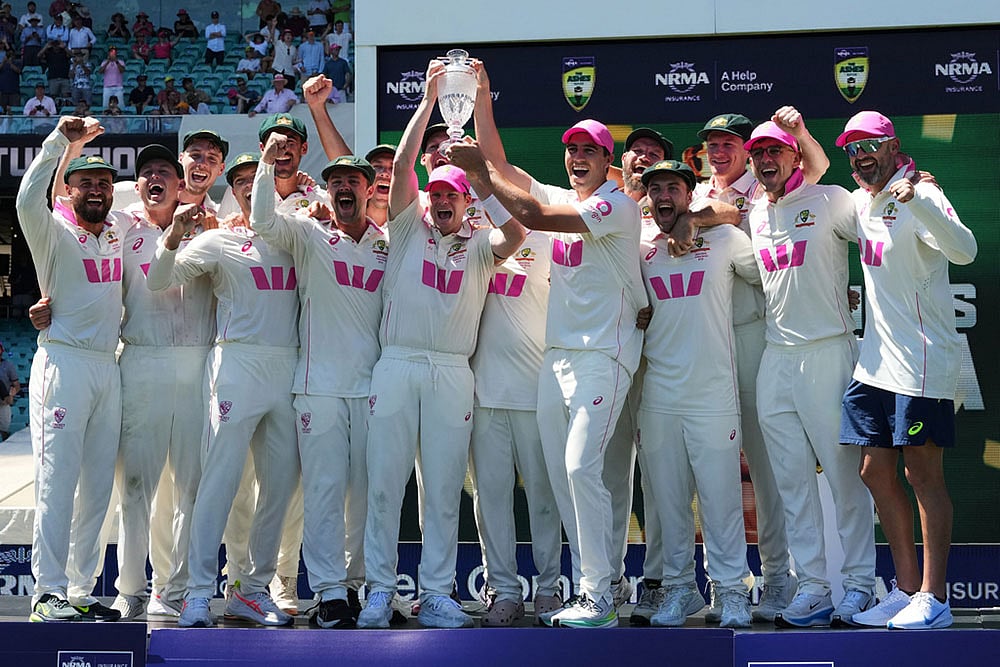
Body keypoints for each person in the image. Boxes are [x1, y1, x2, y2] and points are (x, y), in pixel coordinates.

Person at [451, 109, 648, 629]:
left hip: (603, 357)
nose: (579, 158)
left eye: (590, 151)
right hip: (555, 359)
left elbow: (532, 216)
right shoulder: (563, 197)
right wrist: (485, 102)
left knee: (583, 468)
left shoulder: (617, 205)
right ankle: (593, 590)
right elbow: (503, 172)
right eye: (573, 150)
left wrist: (479, 176)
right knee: (566, 477)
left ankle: (599, 593)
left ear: (608, 161)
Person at [356, 61, 525, 631]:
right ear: (428, 198)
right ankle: (380, 591)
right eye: (439, 193)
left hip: (454, 374)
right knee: (385, 484)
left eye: (457, 194)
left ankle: (434, 594)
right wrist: (428, 100)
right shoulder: (405, 228)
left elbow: (520, 231)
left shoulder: (480, 244)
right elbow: (403, 165)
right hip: (397, 366)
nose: (447, 201)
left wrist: (481, 176)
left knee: (444, 490)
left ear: (466, 199)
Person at [147, 144, 300, 630]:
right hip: (236, 362)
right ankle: (195, 593)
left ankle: (251, 592)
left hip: (288, 368)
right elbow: (157, 280)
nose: (250, 186)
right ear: (233, 191)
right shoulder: (218, 242)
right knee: (218, 484)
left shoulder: (299, 234)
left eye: (260, 177)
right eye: (240, 180)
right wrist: (172, 238)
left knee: (278, 489)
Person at [834, 111, 977, 630]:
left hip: (921, 363)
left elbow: (965, 250)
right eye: (852, 149)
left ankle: (935, 599)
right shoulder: (859, 200)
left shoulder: (922, 194)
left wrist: (918, 199)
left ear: (893, 145)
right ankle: (906, 589)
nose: (859, 156)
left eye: (868, 145)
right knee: (874, 472)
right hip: (873, 365)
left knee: (922, 475)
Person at [689, 109, 832, 622]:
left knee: (766, 470)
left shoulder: (771, 184)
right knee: (712, 469)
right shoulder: (695, 189)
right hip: (702, 340)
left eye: (730, 142)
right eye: (713, 143)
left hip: (754, 333)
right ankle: (723, 586)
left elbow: (817, 165)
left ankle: (777, 579)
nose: (721, 151)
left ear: (749, 147)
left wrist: (798, 132)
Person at [742, 120, 877, 628]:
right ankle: (814, 585)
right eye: (759, 154)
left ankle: (861, 584)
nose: (766, 161)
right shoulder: (754, 211)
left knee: (844, 478)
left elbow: (877, 226)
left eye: (776, 152)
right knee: (790, 483)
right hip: (775, 359)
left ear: (796, 157)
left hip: (827, 352)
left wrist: (916, 186)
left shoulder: (831, 199)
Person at [251, 148, 385, 629]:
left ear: (370, 190)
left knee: (368, 495)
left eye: (354, 181)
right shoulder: (309, 232)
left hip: (372, 388)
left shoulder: (386, 244)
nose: (344, 189)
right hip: (318, 386)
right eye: (337, 182)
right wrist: (268, 165)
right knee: (325, 492)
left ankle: (357, 586)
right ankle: (328, 592)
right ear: (329, 190)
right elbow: (263, 220)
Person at [633, 159, 760, 628]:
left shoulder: (725, 239)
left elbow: (772, 281)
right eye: (655, 189)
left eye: (673, 188)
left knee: (721, 499)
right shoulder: (639, 246)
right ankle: (680, 590)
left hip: (712, 394)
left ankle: (730, 591)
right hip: (658, 394)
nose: (663, 196)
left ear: (690, 195)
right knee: (667, 503)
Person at [16, 115, 126, 623]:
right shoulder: (53, 232)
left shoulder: (117, 232)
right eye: (86, 183)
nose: (98, 191)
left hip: (108, 366)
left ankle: (80, 589)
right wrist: (61, 140)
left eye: (104, 183)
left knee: (98, 485)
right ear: (71, 189)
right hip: (63, 361)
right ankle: (46, 592)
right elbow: (27, 198)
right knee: (57, 481)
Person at [38, 38, 71, 105]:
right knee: (53, 96)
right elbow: (39, 56)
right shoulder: (49, 52)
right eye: (54, 45)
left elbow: (71, 55)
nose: (56, 46)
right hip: (53, 77)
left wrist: (64, 47)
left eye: (57, 44)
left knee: (66, 97)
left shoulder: (64, 51)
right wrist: (46, 46)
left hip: (64, 77)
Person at [0, 340, 20, 440]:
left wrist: (12, 393)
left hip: (4, 402)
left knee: (4, 429)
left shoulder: (8, 366)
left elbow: (16, 385)